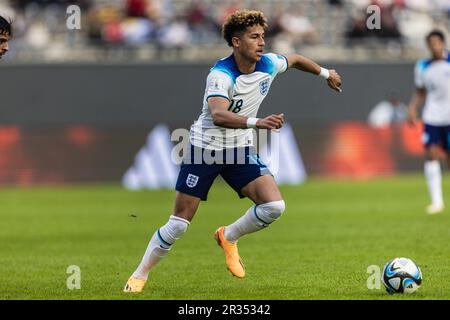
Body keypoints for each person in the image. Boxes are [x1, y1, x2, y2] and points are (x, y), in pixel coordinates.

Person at [124, 9, 342, 293]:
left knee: (274, 207)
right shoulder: (221, 75)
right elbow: (218, 115)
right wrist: (258, 122)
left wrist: (327, 73)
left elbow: (297, 59)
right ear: (237, 42)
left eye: (263, 36)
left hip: (238, 149)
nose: (261, 42)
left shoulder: (270, 63)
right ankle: (139, 276)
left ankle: (228, 235)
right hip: (205, 150)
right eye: (254, 37)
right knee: (178, 225)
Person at [407, 30, 450, 215]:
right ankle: (437, 201)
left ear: (443, 43)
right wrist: (412, 108)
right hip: (432, 116)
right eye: (430, 43)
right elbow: (421, 91)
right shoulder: (422, 66)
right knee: (431, 154)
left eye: (437, 42)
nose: (434, 46)